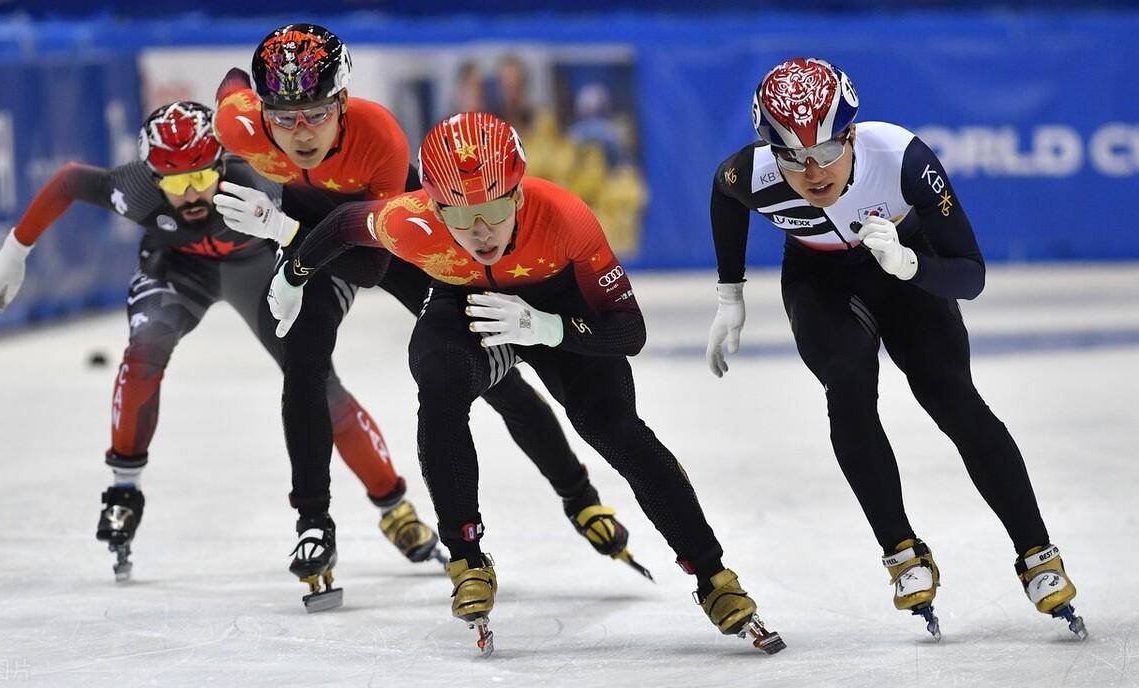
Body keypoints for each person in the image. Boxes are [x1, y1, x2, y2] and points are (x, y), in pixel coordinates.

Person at [224, 111, 787, 656]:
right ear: (433, 207)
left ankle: (713, 575)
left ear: (517, 194)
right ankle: (466, 558)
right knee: (439, 387)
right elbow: (344, 226)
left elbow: (630, 332)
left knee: (611, 427)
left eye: (493, 208)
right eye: (459, 217)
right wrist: (294, 273)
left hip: (562, 311)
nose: (480, 231)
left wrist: (547, 327)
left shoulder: (566, 218)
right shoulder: (409, 218)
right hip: (465, 305)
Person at [212, 24, 653, 604]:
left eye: (317, 112)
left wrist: (280, 229)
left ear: (343, 101)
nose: (300, 132)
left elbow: (370, 267)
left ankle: (579, 495)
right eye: (284, 115)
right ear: (262, 111)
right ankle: (313, 523)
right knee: (303, 364)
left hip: (394, 241)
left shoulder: (379, 138)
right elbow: (230, 88)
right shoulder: (239, 123)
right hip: (310, 241)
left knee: (493, 378)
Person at [705, 57, 1085, 640]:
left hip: (907, 269)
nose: (813, 172)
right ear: (771, 152)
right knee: (848, 386)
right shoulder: (749, 174)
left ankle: (1036, 548)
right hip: (820, 282)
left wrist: (910, 264)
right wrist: (730, 292)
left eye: (828, 151)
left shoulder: (904, 159)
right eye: (795, 159)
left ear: (852, 135)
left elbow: (972, 274)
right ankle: (900, 548)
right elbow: (723, 195)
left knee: (950, 394)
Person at [0, 102, 429, 593]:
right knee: (144, 350)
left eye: (201, 177)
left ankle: (394, 506)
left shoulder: (259, 180)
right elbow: (68, 181)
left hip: (260, 272)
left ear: (221, 163)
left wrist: (306, 274)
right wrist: (15, 250)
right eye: (174, 184)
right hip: (179, 271)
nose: (191, 194)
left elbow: (329, 227)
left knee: (317, 382)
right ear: (154, 177)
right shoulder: (135, 188)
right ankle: (123, 489)